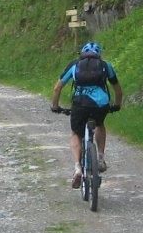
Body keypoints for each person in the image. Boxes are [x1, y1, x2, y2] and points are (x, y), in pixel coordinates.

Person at [50, 42, 123, 188]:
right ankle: (100, 158)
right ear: (99, 55)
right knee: (100, 124)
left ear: (82, 54)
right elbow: (117, 90)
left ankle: (77, 167)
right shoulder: (105, 65)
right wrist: (117, 105)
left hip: (80, 104)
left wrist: (55, 106)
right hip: (100, 105)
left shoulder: (74, 65)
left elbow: (57, 88)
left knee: (76, 133)